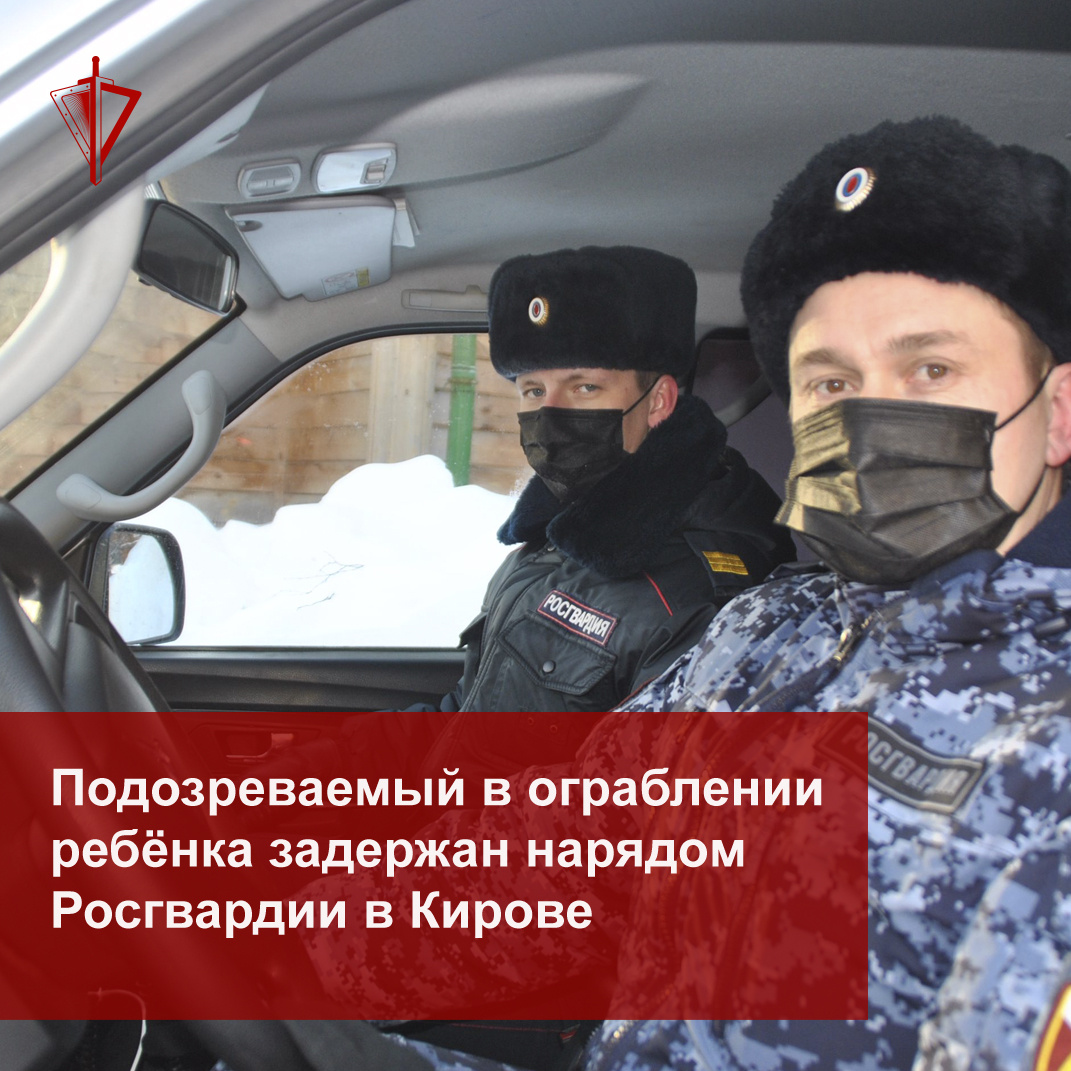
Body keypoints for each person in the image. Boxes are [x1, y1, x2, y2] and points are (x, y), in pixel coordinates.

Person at [300, 117, 1071, 1069]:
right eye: (829, 382)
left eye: (930, 368)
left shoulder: (1043, 738)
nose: (869, 415)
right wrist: (292, 951)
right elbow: (563, 855)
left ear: (1057, 412)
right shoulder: (772, 630)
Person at [346, 246, 793, 783]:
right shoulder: (561, 529)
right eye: (534, 389)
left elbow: (621, 815)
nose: (550, 413)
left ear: (658, 402)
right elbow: (467, 719)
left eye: (584, 387)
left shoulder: (700, 598)